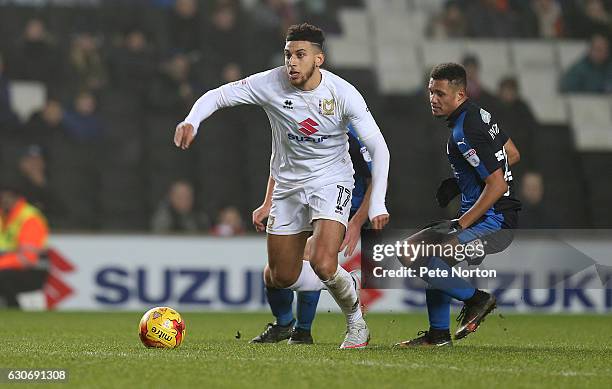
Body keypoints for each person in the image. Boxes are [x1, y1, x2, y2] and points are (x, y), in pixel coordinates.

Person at [173, 23, 390, 349]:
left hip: (332, 180)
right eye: (288, 54)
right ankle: (337, 287)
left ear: (319, 59)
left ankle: (355, 322)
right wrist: (192, 119)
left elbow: (379, 148)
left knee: (322, 261)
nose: (291, 61)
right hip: (288, 187)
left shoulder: (343, 94)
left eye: (300, 55)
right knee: (280, 276)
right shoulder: (269, 83)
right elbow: (219, 95)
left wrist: (378, 203)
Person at [395, 63, 521, 347]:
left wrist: (460, 223)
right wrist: (465, 181)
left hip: (494, 224)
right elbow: (511, 154)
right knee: (432, 261)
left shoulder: (464, 132)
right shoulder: (480, 114)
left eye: (440, 93)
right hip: (493, 218)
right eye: (430, 92)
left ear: (460, 94)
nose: (433, 99)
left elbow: (498, 184)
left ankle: (478, 300)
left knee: (412, 253)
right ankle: (438, 336)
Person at [250, 127, 373, 345]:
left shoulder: (350, 131)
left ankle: (303, 330)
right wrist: (268, 202)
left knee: (310, 254)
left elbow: (377, 177)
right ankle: (285, 323)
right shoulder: (294, 120)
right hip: (304, 200)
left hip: (342, 206)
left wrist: (356, 222)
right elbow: (281, 163)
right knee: (272, 273)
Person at [0, 175, 49, 308]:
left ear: (17, 197)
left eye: (7, 196)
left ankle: (15, 310)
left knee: (3, 278)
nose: (4, 200)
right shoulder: (3, 216)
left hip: (31, 272)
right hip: (8, 267)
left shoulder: (29, 218)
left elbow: (27, 259)